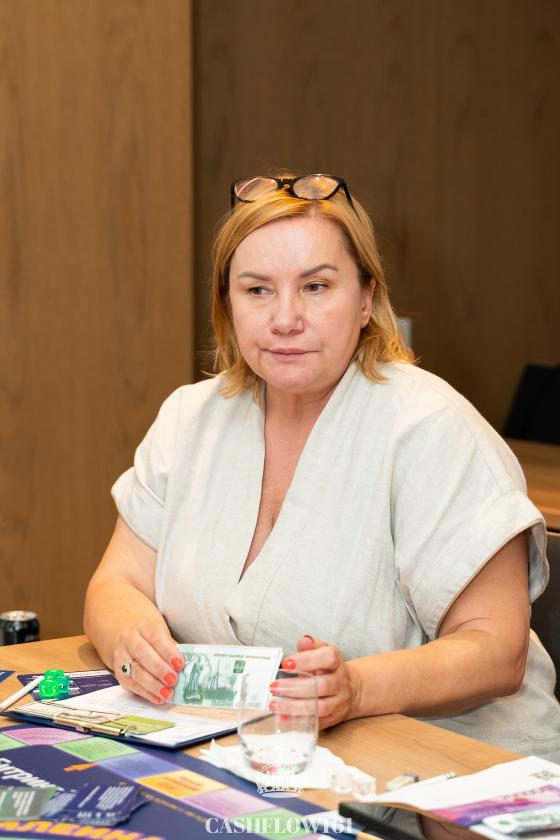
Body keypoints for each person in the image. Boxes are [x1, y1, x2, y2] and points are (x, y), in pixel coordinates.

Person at [84, 173, 560, 762]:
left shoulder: (431, 426)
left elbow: (496, 651)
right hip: (259, 757)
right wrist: (131, 639)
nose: (285, 318)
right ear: (227, 304)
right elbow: (116, 583)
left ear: (366, 299)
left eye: (315, 286)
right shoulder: (190, 417)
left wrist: (357, 687)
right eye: (257, 290)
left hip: (457, 770)